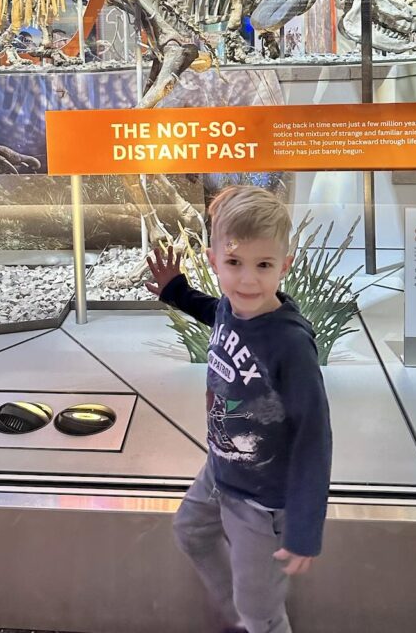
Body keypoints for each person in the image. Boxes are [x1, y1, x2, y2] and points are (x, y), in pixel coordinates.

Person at [146, 186, 332, 633]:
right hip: (221, 470)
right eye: (234, 263)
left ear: (284, 267)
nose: (248, 281)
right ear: (214, 261)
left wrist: (305, 527)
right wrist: (177, 292)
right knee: (190, 533)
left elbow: (314, 437)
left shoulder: (290, 343)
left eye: (263, 265)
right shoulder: (233, 309)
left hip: (262, 500)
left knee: (262, 614)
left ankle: (257, 618)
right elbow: (219, 312)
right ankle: (245, 616)